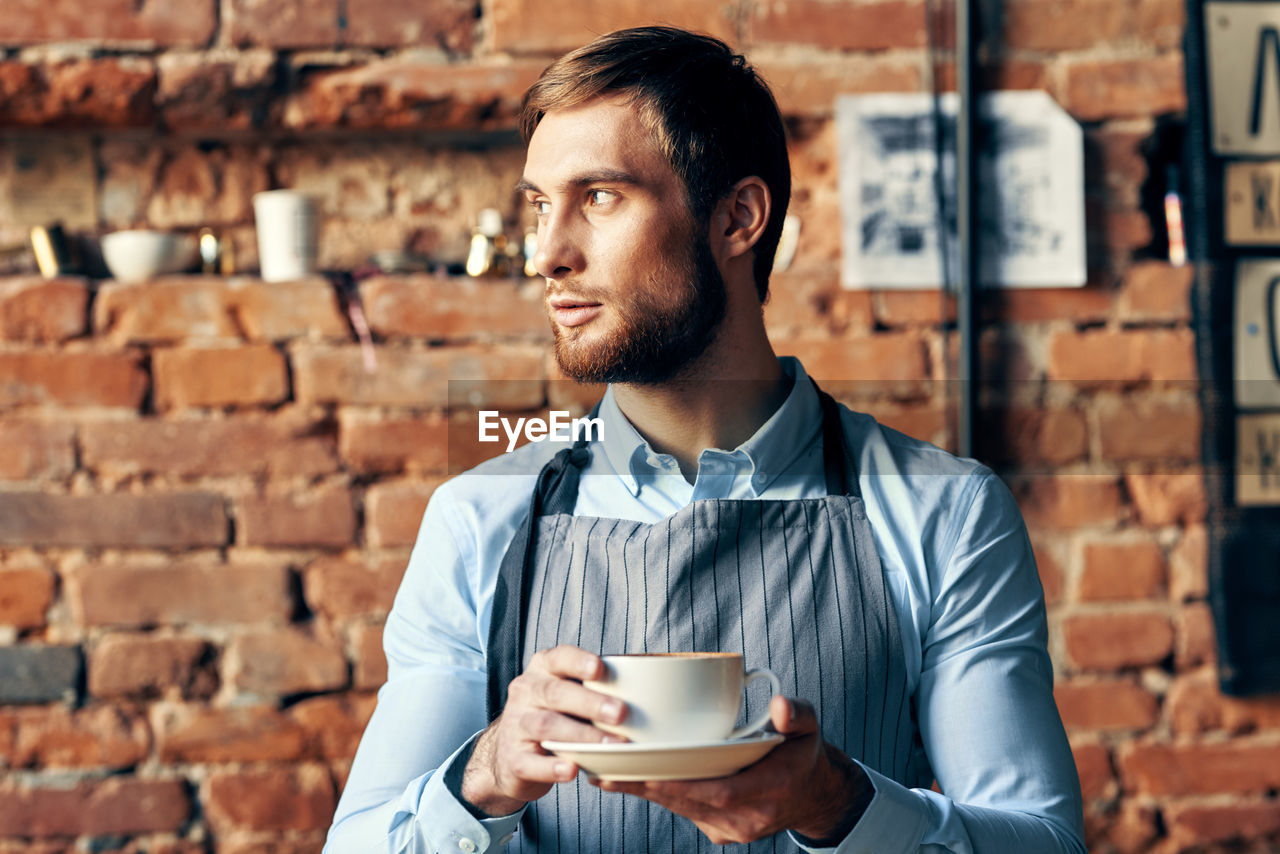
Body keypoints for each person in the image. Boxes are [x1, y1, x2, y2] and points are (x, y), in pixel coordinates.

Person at [325, 26, 1085, 854]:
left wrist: (839, 805)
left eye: (600, 197)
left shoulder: (946, 513)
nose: (547, 253)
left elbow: (1045, 841)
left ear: (738, 218)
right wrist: (485, 774)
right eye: (540, 204)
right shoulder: (479, 521)